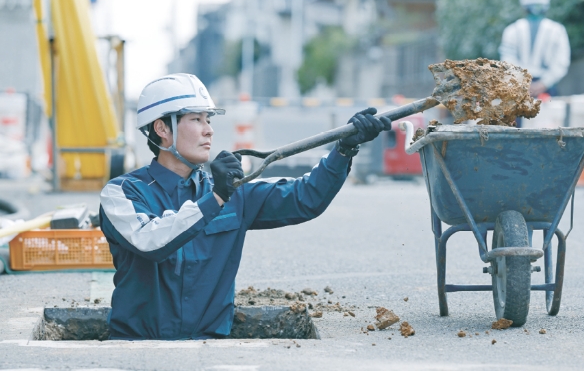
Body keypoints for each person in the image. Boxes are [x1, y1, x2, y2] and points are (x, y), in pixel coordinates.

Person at [99, 73, 391, 340]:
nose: (208, 131)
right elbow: (152, 241)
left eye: (208, 120)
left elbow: (306, 198)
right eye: (196, 120)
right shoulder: (121, 193)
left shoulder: (229, 191)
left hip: (210, 349)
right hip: (135, 349)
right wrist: (214, 200)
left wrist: (342, 150)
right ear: (162, 128)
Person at [499, 0, 571, 124]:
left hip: (524, 91)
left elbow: (507, 63)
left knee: (517, 136)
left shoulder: (512, 30)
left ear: (523, 6)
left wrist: (527, 85)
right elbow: (561, 63)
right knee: (552, 134)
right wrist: (542, 84)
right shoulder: (557, 30)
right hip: (540, 90)